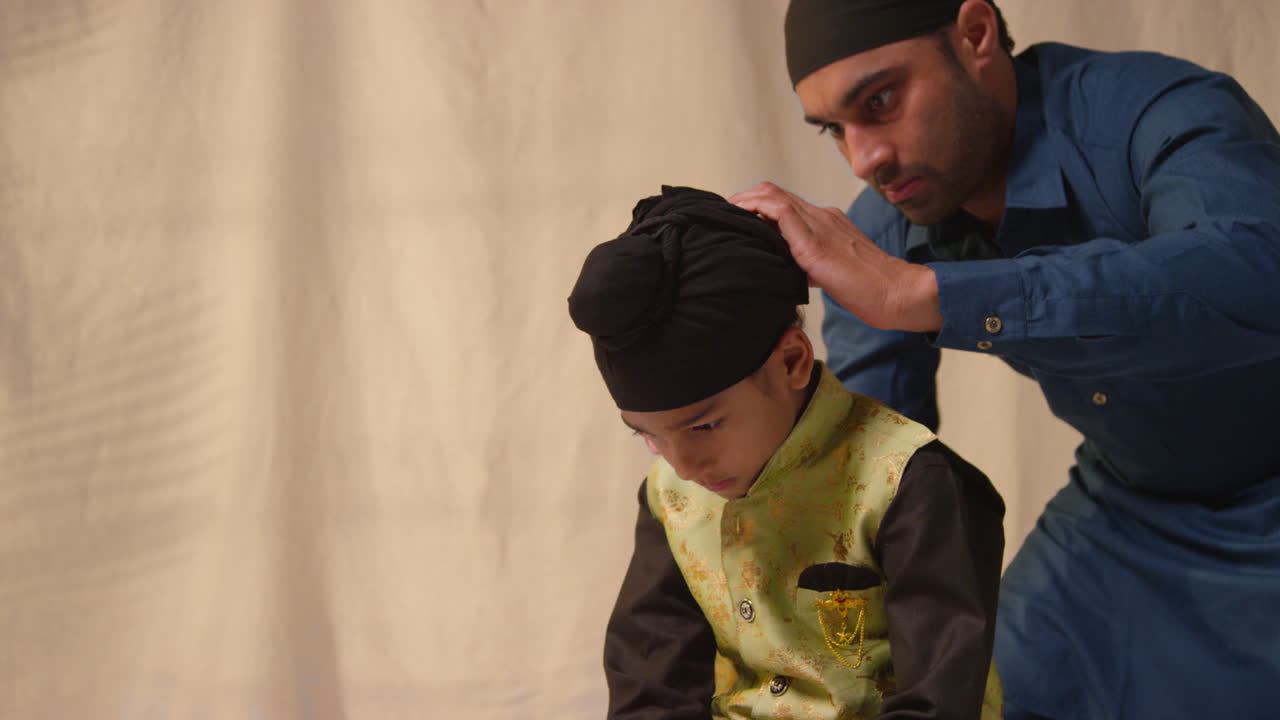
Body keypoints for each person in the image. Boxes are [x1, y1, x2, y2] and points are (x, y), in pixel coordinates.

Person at [727, 1, 1280, 718]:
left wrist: (930, 293)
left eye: (883, 100)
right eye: (836, 128)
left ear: (976, 34)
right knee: (974, 699)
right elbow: (872, 472)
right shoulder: (886, 229)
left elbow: (1257, 271)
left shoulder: (1158, 109)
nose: (865, 159)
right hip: (1129, 516)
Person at [569, 185, 1005, 720]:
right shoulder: (671, 496)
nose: (683, 465)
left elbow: (939, 702)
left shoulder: (910, 481)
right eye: (648, 436)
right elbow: (651, 686)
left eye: (703, 425)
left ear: (792, 361)